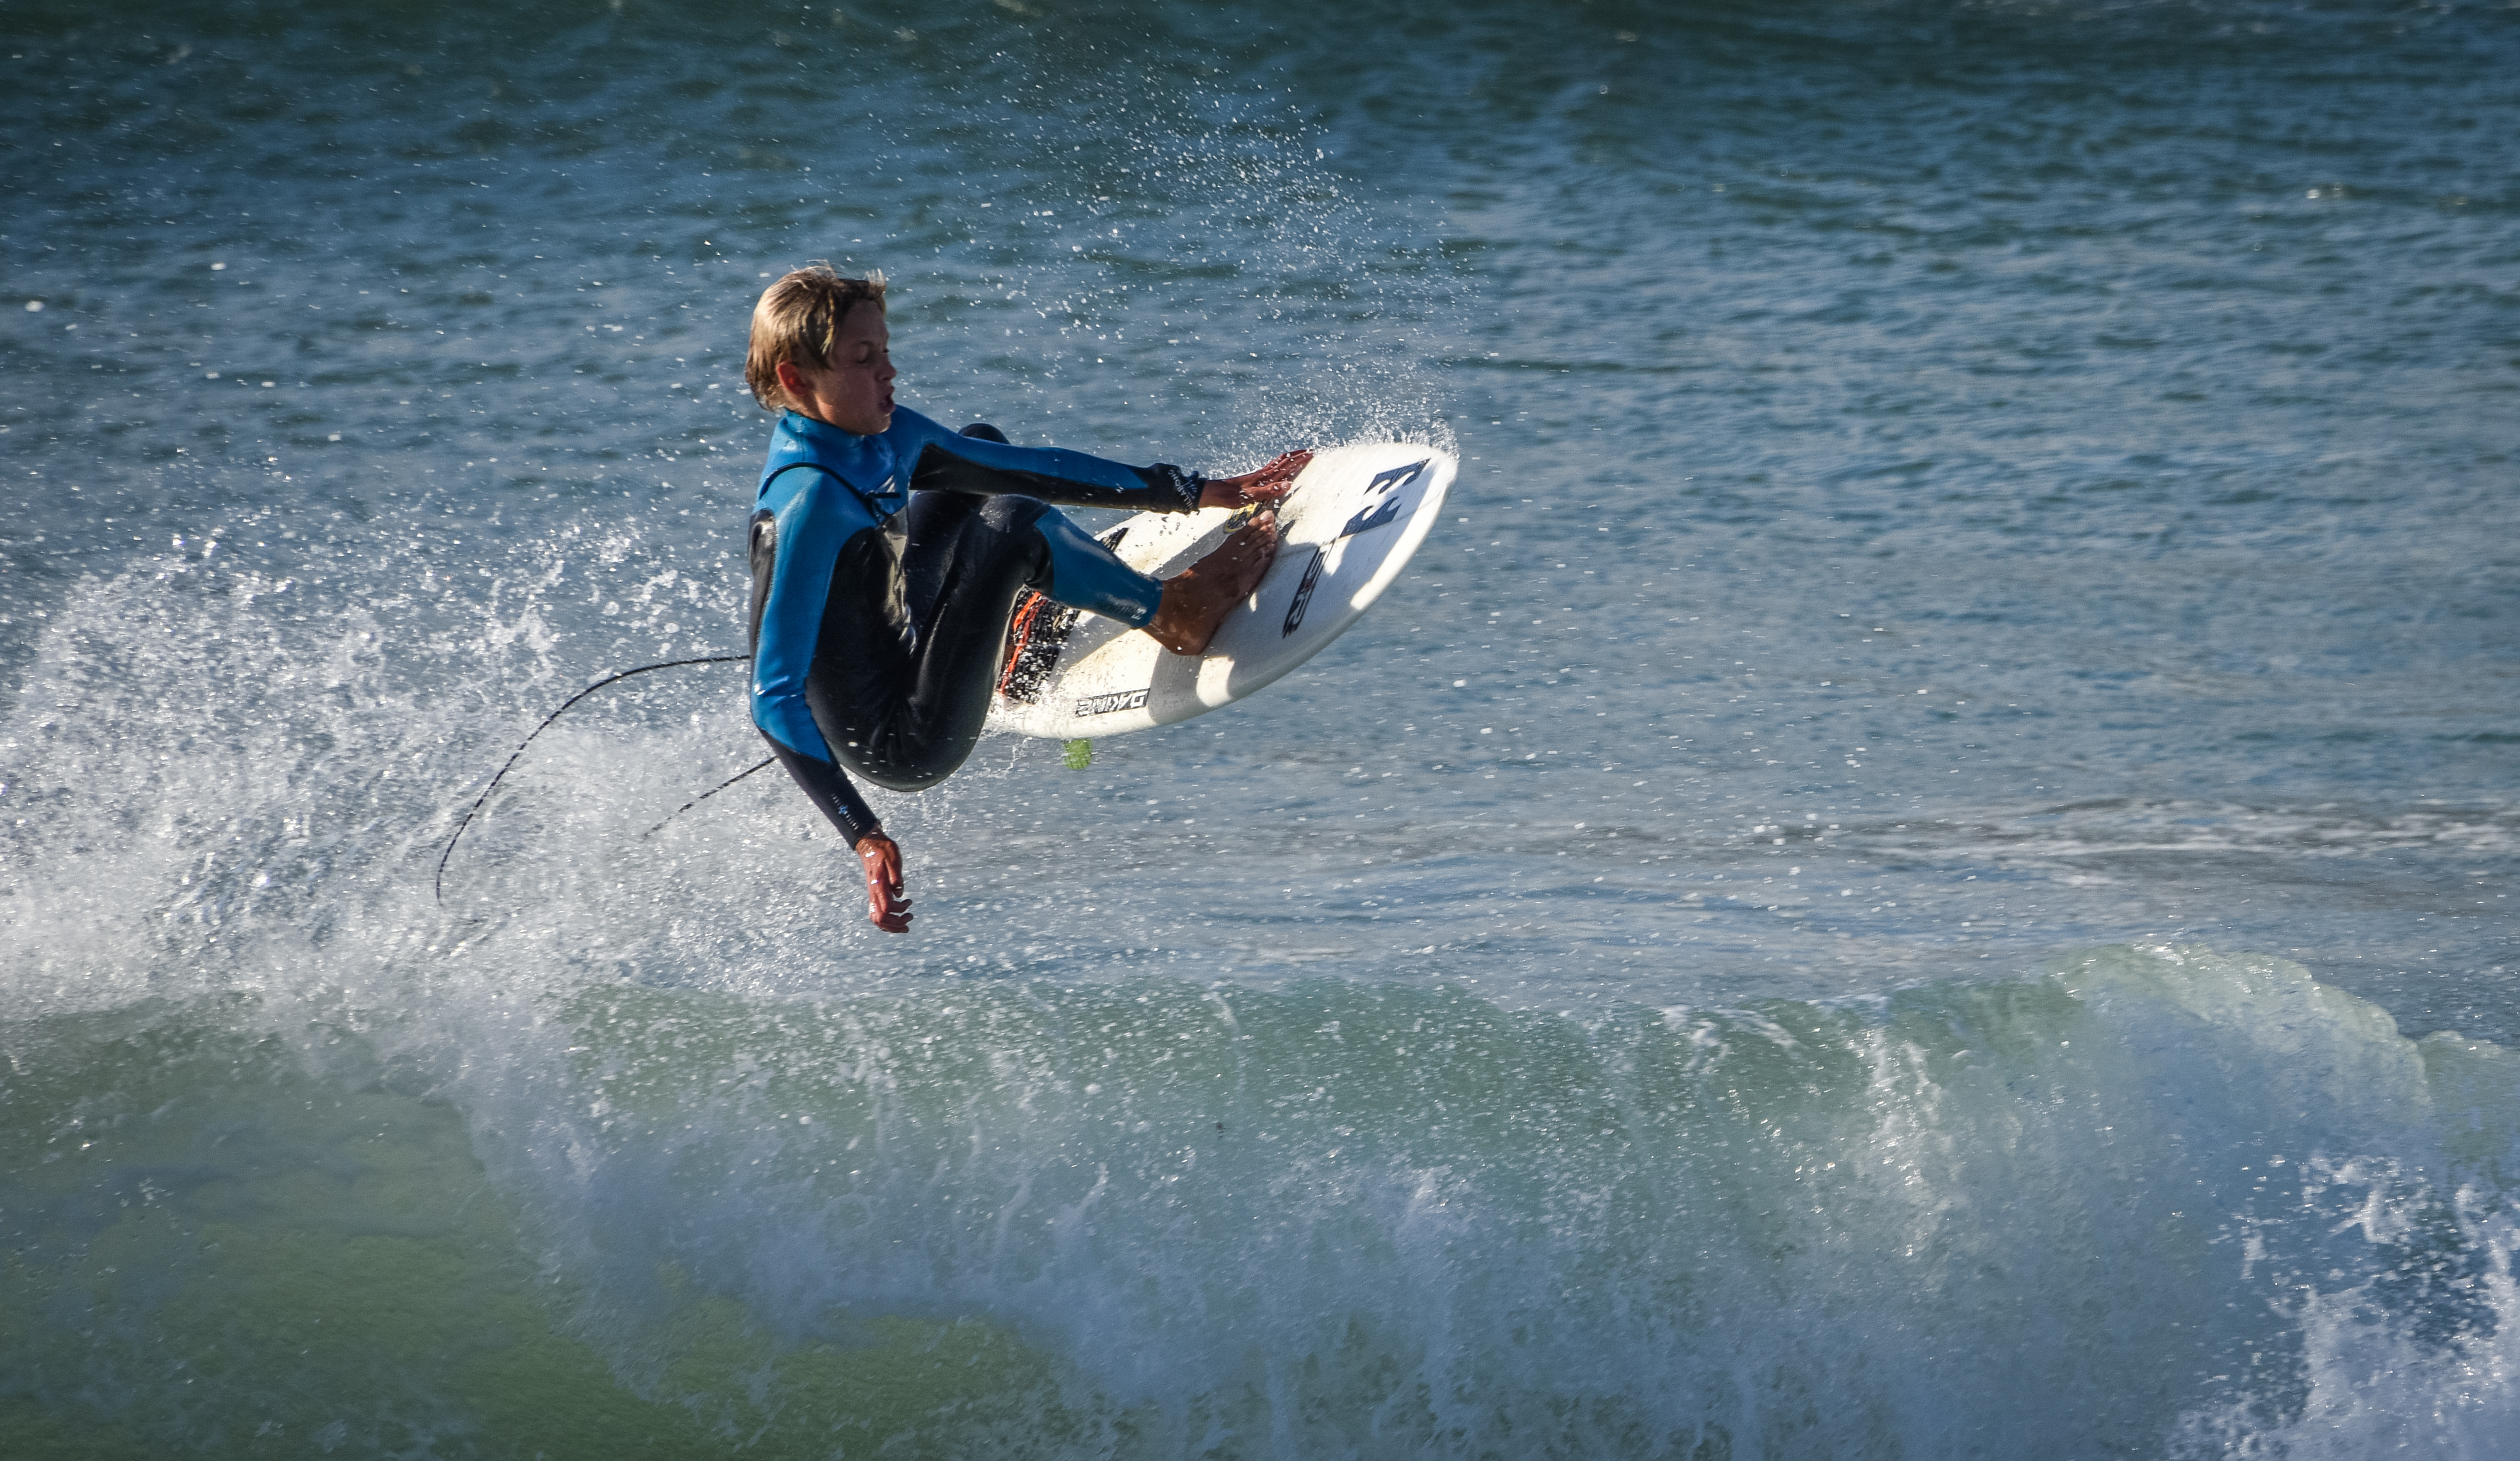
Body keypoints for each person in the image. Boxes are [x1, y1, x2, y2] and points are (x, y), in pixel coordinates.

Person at [741, 265, 1307, 933]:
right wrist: (863, 833)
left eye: (886, 350)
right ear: (796, 380)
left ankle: (1001, 631)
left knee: (982, 451)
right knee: (1009, 526)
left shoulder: (880, 435)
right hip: (903, 736)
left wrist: (1189, 490)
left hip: (905, 634)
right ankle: (1175, 614)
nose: (889, 372)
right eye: (864, 360)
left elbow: (1030, 469)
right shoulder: (804, 508)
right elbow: (772, 697)